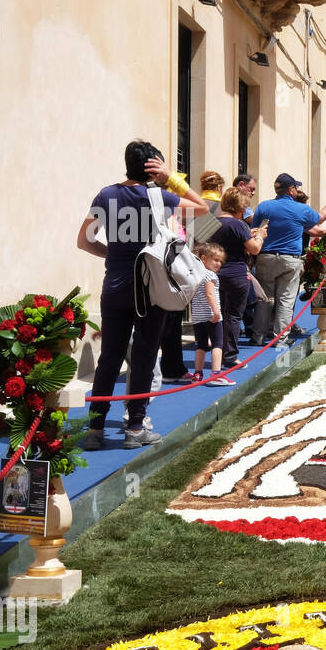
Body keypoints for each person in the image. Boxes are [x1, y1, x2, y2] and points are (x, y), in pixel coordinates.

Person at [76, 139, 210, 450]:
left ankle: (95, 428)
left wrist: (113, 254)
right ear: (154, 166)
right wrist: (171, 179)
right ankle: (135, 427)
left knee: (109, 357)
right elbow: (203, 209)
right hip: (150, 286)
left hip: (115, 284)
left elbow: (84, 241)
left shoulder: (106, 194)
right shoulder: (158, 195)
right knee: (145, 356)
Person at [251, 174, 326, 346]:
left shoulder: (263, 206)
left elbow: (254, 229)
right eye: (296, 188)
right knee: (286, 300)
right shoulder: (300, 209)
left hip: (265, 257)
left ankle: (258, 337)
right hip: (290, 259)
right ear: (291, 190)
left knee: (265, 300)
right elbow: (319, 219)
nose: (298, 191)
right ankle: (280, 339)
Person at [210, 187, 264, 369]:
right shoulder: (238, 225)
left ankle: (219, 351)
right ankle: (230, 356)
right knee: (233, 316)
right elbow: (254, 249)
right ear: (240, 207)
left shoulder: (213, 222)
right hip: (236, 274)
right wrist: (261, 237)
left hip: (216, 274)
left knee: (220, 316)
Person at [189, 242, 236, 387]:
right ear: (203, 258)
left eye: (220, 261)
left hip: (198, 317)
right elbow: (210, 294)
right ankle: (216, 374)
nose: (219, 264)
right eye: (215, 260)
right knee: (217, 344)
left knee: (201, 345)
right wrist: (216, 312)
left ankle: (198, 373)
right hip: (211, 316)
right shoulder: (210, 275)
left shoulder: (195, 274)